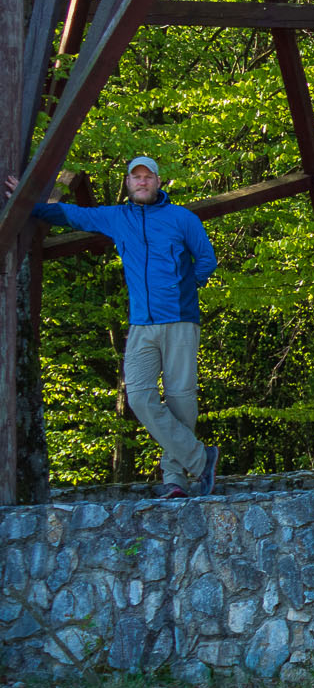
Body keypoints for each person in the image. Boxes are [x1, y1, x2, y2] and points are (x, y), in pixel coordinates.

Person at [6, 156, 219, 496]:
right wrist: (27, 203)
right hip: (141, 325)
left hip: (180, 320)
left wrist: (184, 288)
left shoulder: (182, 218)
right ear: (128, 183)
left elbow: (207, 259)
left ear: (158, 182)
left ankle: (175, 482)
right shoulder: (117, 219)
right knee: (139, 397)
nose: (142, 182)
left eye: (148, 176)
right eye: (136, 177)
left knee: (181, 400)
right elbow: (71, 214)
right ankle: (200, 459)